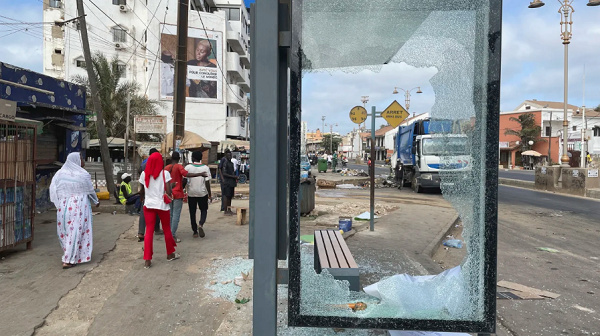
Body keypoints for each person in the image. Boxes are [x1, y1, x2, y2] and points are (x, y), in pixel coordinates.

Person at [50, 152, 99, 269]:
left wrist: (58, 204)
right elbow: (90, 190)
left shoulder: (59, 173)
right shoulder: (83, 174)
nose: (83, 160)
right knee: (76, 231)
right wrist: (96, 201)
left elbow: (53, 189)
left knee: (65, 231)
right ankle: (68, 259)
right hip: (79, 206)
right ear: (76, 160)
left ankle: (70, 255)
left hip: (63, 207)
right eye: (81, 158)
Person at [138, 152, 179, 269]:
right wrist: (173, 186)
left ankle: (147, 260)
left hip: (149, 205)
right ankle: (170, 254)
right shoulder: (165, 173)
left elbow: (142, 190)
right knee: (166, 229)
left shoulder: (144, 174)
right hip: (162, 205)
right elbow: (169, 191)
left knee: (149, 231)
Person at [164, 151, 207, 242]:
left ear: (171, 158)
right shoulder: (179, 167)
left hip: (168, 193)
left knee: (170, 214)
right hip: (177, 193)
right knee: (176, 215)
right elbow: (186, 175)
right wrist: (199, 174)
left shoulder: (166, 168)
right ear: (179, 159)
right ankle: (172, 235)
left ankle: (169, 233)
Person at [185, 151, 212, 238]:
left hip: (191, 192)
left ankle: (195, 232)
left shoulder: (188, 167)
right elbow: (207, 182)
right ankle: (200, 224)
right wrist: (209, 194)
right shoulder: (205, 168)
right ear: (201, 158)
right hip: (202, 193)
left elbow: (184, 180)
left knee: (192, 212)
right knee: (204, 210)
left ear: (193, 158)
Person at [138, 148, 163, 240]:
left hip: (146, 190)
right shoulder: (159, 162)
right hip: (155, 191)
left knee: (143, 211)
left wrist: (141, 194)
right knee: (157, 210)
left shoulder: (144, 163)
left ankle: (141, 232)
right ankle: (156, 229)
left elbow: (140, 173)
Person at [220, 149, 238, 216]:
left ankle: (229, 209)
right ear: (226, 156)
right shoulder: (225, 163)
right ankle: (225, 210)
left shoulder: (231, 163)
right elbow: (224, 173)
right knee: (226, 196)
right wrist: (233, 177)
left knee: (230, 196)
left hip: (231, 182)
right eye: (228, 155)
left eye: (230, 155)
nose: (230, 156)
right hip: (227, 181)